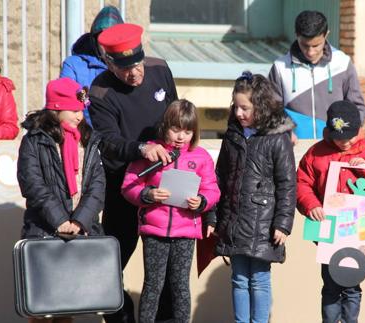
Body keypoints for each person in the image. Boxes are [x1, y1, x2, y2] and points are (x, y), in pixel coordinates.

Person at [88, 23, 178, 323]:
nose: (135, 73)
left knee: (165, 271)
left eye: (137, 64)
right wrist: (141, 148)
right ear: (109, 62)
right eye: (126, 68)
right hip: (123, 189)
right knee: (109, 268)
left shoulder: (160, 69)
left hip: (165, 187)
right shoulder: (101, 91)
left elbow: (178, 117)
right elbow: (108, 142)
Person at [121, 99, 220, 323]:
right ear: (165, 127)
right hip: (154, 231)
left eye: (187, 131)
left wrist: (202, 202)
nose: (180, 136)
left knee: (180, 286)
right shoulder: (151, 151)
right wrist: (148, 195)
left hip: (185, 233)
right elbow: (129, 185)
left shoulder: (201, 156)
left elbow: (212, 189)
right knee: (153, 285)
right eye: (176, 129)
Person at [16, 77, 105, 323]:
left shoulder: (88, 139)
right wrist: (60, 220)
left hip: (79, 230)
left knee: (67, 305)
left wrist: (79, 221)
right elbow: (33, 185)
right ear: (56, 109)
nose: (80, 116)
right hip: (44, 229)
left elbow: (97, 185)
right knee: (42, 306)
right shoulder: (34, 140)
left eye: (81, 110)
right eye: (74, 110)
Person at [296, 100, 365, 323]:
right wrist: (312, 205)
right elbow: (301, 183)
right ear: (329, 132)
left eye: (350, 136)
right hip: (327, 231)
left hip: (357, 231)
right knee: (330, 284)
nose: (345, 142)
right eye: (339, 137)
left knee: (351, 284)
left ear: (359, 130)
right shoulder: (316, 153)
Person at [213, 71, 296, 323]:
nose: (239, 113)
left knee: (259, 279)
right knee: (238, 278)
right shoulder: (232, 135)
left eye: (245, 108)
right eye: (236, 107)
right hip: (235, 221)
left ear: (260, 106)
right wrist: (214, 217)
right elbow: (220, 177)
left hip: (264, 224)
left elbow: (287, 184)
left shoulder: (277, 139)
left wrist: (282, 223)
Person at [268, 10, 365, 140]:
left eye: (316, 45)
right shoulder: (280, 67)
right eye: (305, 45)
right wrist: (284, 133)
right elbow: (269, 111)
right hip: (293, 148)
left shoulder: (342, 63)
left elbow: (357, 108)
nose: (310, 52)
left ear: (326, 35)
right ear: (296, 35)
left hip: (334, 148)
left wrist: (350, 135)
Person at [60, 5, 124, 126]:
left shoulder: (130, 66)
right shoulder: (74, 65)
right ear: (95, 40)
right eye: (104, 38)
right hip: (86, 134)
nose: (108, 44)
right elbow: (67, 102)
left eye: (113, 38)